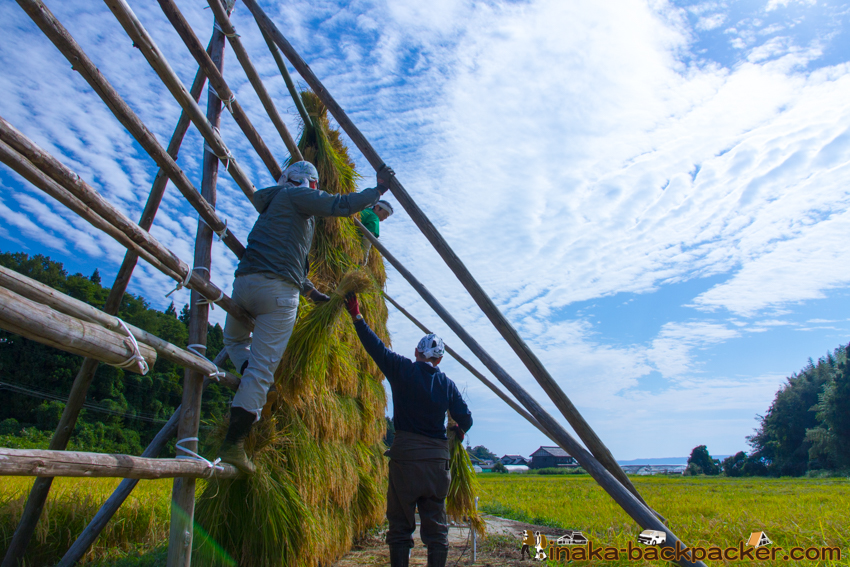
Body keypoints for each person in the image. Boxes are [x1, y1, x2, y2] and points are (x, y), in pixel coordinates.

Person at [218, 161, 394, 474]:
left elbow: (291, 261)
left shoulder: (273, 207)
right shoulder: (297, 196)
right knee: (262, 370)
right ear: (307, 185)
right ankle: (234, 444)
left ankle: (244, 369)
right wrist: (378, 190)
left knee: (233, 339)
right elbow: (338, 205)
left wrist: (313, 294)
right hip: (277, 294)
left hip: (244, 284)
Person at [344, 293, 472, 567]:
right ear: (438, 361)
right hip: (437, 466)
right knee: (437, 531)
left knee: (400, 528)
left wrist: (357, 315)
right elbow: (466, 418)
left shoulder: (402, 369)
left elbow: (375, 347)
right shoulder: (447, 385)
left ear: (417, 353)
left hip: (406, 462)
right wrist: (458, 430)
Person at [359, 200, 394, 264]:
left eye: (386, 217)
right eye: (384, 214)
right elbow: (368, 238)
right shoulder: (374, 217)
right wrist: (363, 259)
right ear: (377, 207)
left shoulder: (363, 210)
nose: (384, 218)